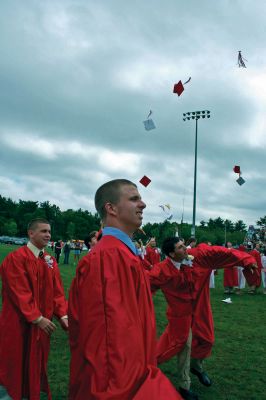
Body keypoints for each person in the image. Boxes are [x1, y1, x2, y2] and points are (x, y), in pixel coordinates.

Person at [68, 179, 182, 400]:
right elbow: (110, 346)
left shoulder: (121, 253)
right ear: (111, 208)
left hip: (136, 368)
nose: (143, 204)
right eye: (134, 199)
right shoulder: (108, 257)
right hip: (121, 385)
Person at [147, 237, 257, 400]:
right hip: (180, 314)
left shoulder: (199, 256)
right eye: (180, 247)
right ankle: (184, 386)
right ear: (171, 254)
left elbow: (223, 253)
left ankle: (197, 367)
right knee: (182, 345)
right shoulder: (162, 270)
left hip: (200, 305)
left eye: (184, 245)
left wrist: (246, 260)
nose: (185, 249)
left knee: (207, 339)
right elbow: (144, 286)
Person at [0, 218, 68, 400]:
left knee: (36, 363)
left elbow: (57, 292)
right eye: (43, 231)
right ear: (31, 233)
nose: (48, 235)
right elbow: (19, 292)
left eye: (49, 232)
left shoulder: (50, 260)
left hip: (41, 327)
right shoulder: (16, 258)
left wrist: (63, 314)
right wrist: (37, 318)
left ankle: (30, 393)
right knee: (14, 362)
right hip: (19, 324)